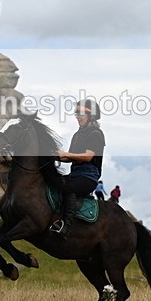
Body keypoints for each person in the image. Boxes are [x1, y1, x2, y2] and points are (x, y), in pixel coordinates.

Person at [51, 99, 106, 238]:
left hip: (89, 177)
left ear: (91, 115)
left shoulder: (96, 134)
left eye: (81, 114)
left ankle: (66, 227)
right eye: (76, 114)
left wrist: (66, 154)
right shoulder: (77, 135)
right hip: (75, 175)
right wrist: (53, 155)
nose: (77, 117)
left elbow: (88, 157)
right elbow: (69, 158)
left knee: (68, 189)